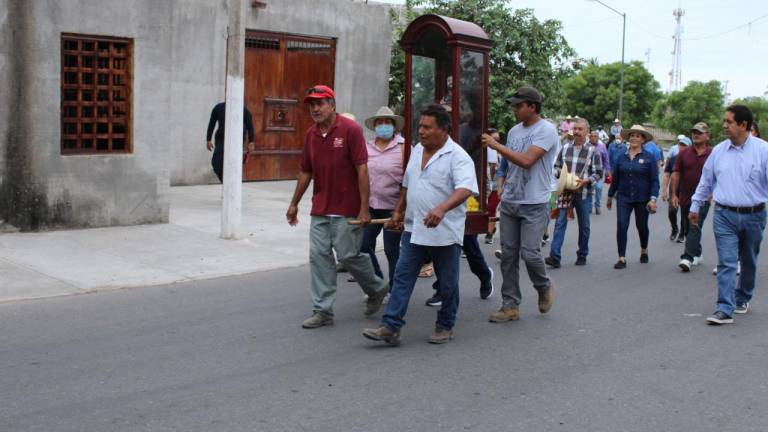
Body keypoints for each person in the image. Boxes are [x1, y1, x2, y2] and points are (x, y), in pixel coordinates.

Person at [362, 104, 478, 345]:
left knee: (447, 283)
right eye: (420, 127)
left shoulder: (457, 156)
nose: (421, 131)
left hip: (444, 233)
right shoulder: (416, 151)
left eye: (427, 127)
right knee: (403, 278)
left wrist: (442, 208)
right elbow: (407, 183)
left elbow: (466, 188)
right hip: (414, 229)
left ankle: (445, 324)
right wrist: (398, 210)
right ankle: (391, 326)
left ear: (444, 129)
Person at [286, 85, 389, 329]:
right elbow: (305, 171)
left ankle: (376, 288)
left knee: (348, 255)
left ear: (332, 104)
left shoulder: (350, 130)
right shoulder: (311, 134)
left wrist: (364, 208)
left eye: (320, 103)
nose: (315, 109)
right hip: (320, 207)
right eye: (312, 104)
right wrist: (294, 203)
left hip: (347, 207)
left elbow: (362, 169)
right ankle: (323, 311)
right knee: (319, 257)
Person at [480, 86, 558, 323]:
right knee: (508, 256)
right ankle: (510, 305)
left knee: (530, 253)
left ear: (532, 107)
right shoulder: (514, 131)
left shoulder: (547, 130)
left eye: (518, 105)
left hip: (535, 201)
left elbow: (526, 160)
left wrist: (496, 146)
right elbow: (508, 162)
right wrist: (501, 183)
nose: (514, 109)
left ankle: (543, 286)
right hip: (511, 200)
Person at [689, 105, 768, 325]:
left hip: (755, 215)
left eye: (729, 122)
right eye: (724, 121)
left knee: (749, 261)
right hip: (724, 215)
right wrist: (695, 206)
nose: (724, 125)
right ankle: (724, 307)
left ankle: (743, 296)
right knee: (727, 261)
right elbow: (706, 181)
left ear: (743, 125)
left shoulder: (763, 150)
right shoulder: (719, 151)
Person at [359, 106, 405, 292]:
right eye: (380, 123)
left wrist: (401, 210)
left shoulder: (403, 147)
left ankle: (395, 290)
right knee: (363, 246)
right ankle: (378, 284)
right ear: (374, 127)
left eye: (387, 123)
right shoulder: (366, 147)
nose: (383, 126)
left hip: (394, 208)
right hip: (370, 205)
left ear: (394, 127)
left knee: (392, 250)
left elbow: (408, 180)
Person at [545, 119, 603, 268]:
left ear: (587, 132)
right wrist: (563, 176)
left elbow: (598, 173)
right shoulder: (564, 148)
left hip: (583, 194)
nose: (576, 131)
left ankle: (582, 253)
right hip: (565, 191)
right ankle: (555, 257)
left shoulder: (593, 151)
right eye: (575, 129)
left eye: (580, 129)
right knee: (559, 223)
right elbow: (556, 166)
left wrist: (586, 181)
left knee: (584, 226)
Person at [606, 125, 659, 269]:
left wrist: (653, 198)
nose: (634, 138)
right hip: (623, 197)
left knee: (641, 226)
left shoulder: (649, 158)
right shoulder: (621, 157)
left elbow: (655, 181)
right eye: (632, 135)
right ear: (628, 138)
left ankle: (644, 249)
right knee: (622, 225)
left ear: (643, 140)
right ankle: (621, 258)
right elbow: (615, 179)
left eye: (638, 136)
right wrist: (610, 196)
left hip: (642, 198)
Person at [671, 123, 712, 272]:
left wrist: (712, 194)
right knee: (689, 227)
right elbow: (676, 174)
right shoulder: (683, 154)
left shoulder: (713, 154)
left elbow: (718, 175)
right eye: (694, 132)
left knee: (695, 224)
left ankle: (687, 257)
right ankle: (698, 252)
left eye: (699, 132)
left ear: (707, 135)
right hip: (686, 196)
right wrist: (674, 194)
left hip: (703, 198)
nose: (696, 135)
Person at [205, 101, 255, 182]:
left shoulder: (242, 109)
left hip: (237, 141)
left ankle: (231, 185)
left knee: (233, 164)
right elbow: (212, 123)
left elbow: (250, 125)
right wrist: (208, 139)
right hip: (221, 139)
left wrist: (251, 141)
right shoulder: (218, 107)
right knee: (216, 164)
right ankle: (226, 182)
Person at [662, 135, 690, 242]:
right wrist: (664, 190)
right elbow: (666, 175)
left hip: (686, 190)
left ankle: (682, 233)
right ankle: (674, 229)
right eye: (680, 145)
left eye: (685, 146)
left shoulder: (691, 160)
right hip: (674, 188)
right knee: (672, 211)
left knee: (684, 213)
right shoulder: (673, 160)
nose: (682, 147)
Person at [485, 129, 501, 244]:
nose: (496, 141)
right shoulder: (487, 150)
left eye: (498, 139)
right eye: (494, 139)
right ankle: (491, 228)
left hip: (496, 185)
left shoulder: (499, 152)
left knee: (492, 207)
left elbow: (494, 168)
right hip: (486, 184)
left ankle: (489, 233)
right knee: (486, 208)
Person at [590, 130, 610, 214]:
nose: (593, 138)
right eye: (592, 136)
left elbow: (606, 160)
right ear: (589, 137)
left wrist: (608, 170)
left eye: (595, 136)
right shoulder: (586, 146)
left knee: (598, 188)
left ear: (598, 138)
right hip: (589, 172)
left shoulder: (602, 147)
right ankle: (589, 207)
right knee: (589, 190)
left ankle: (597, 206)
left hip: (599, 172)